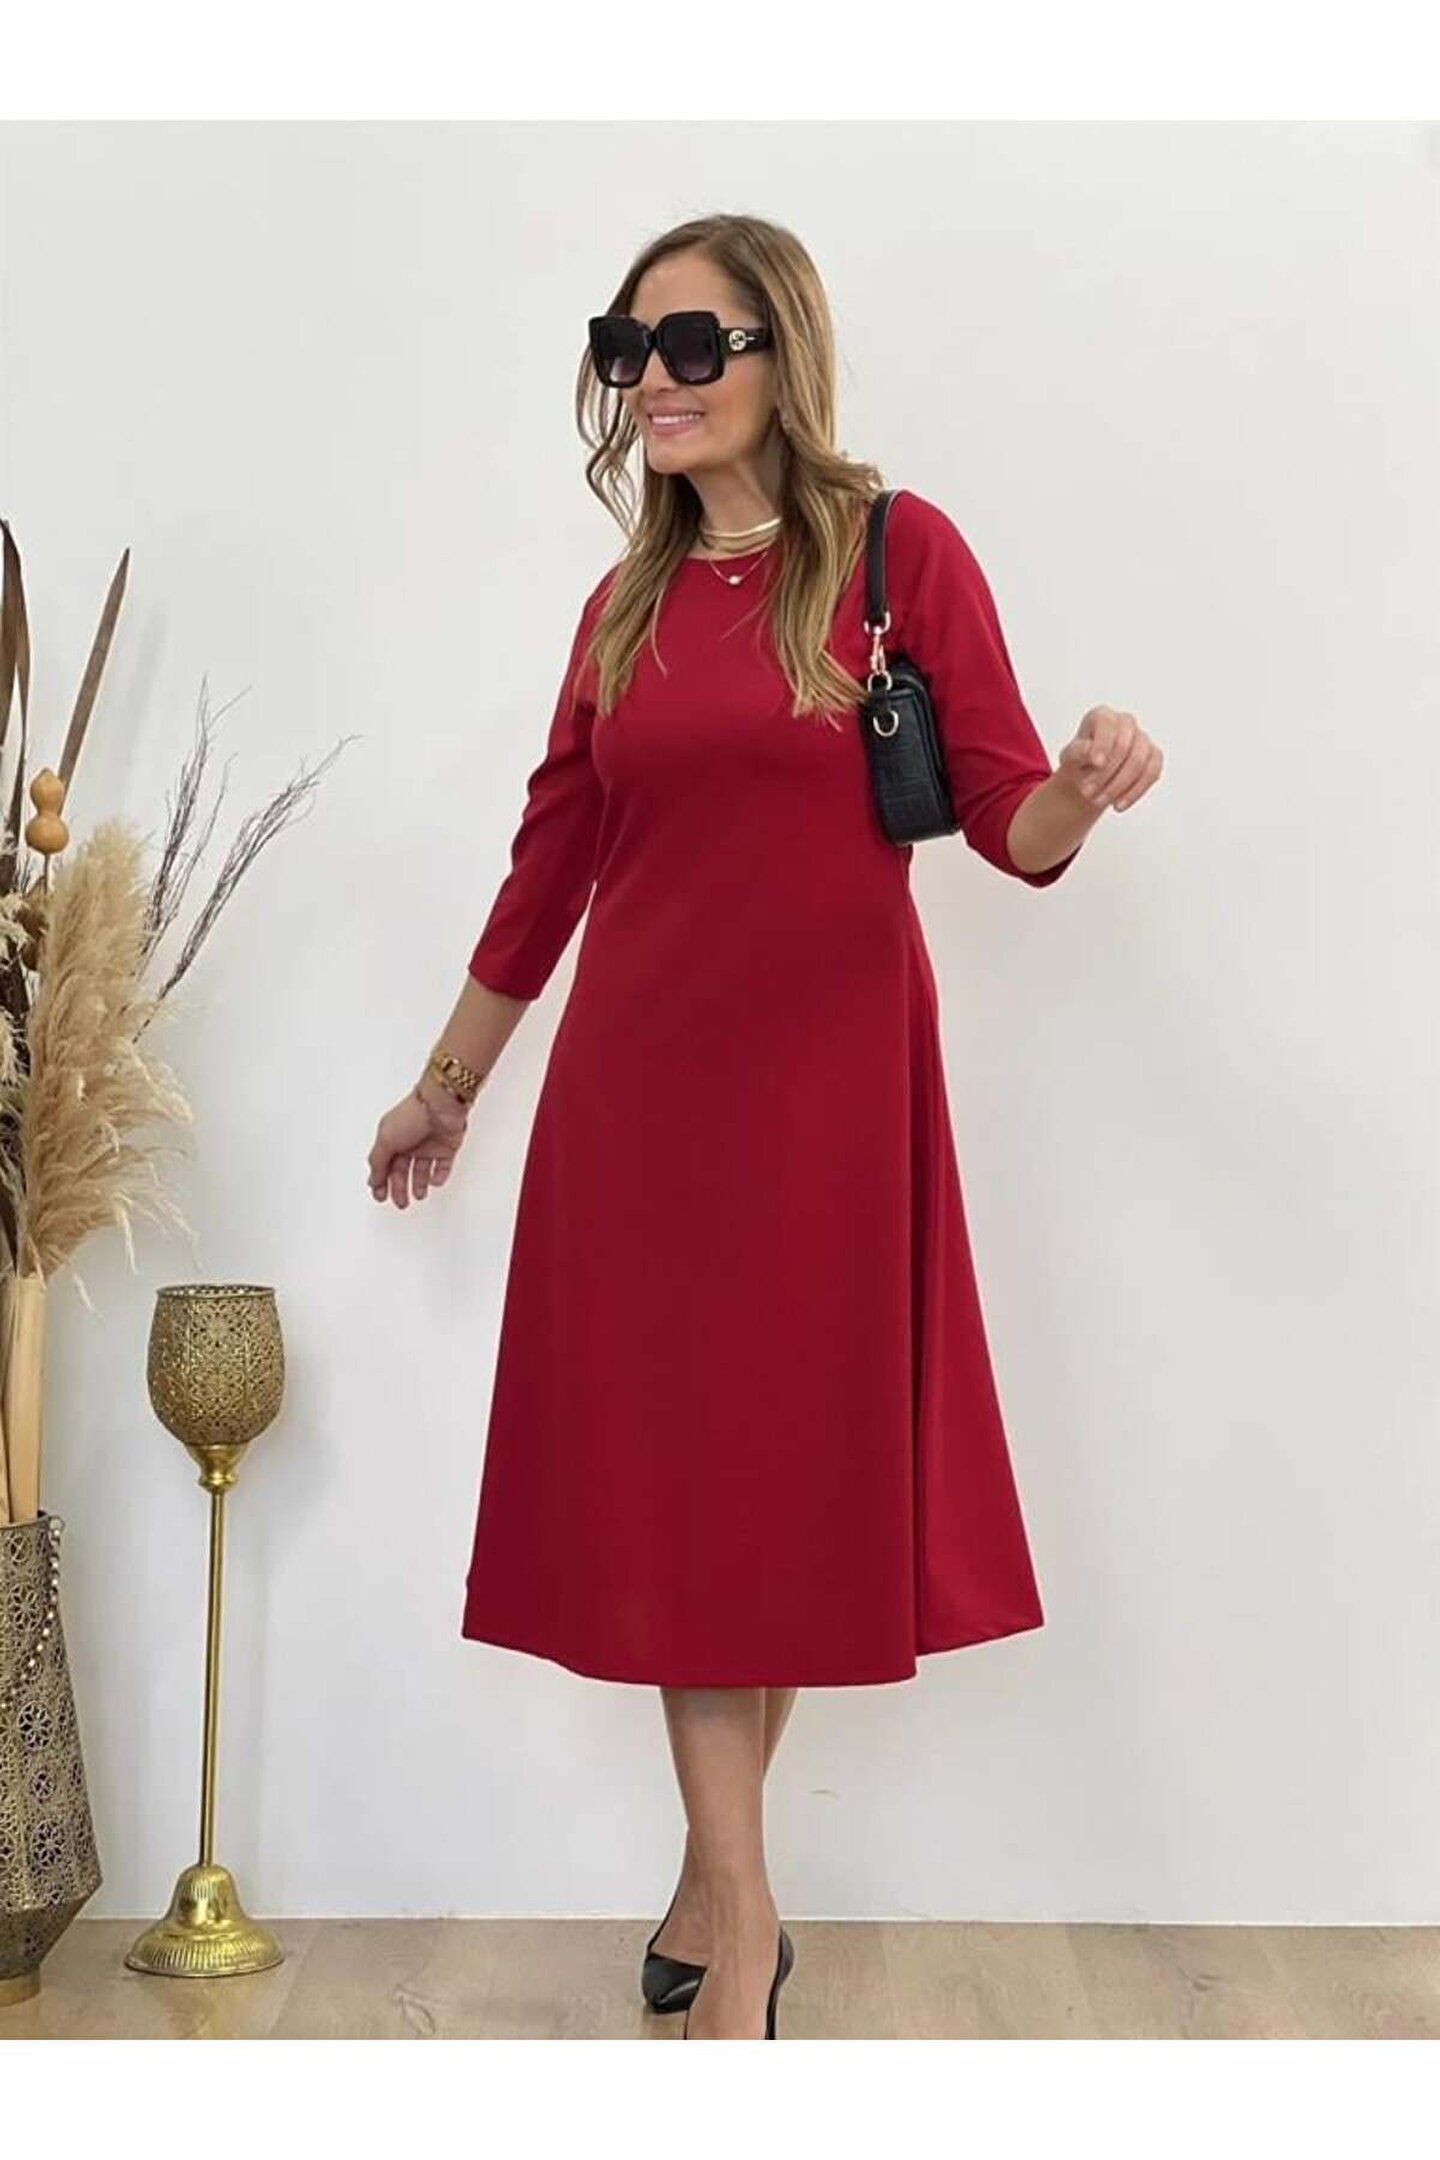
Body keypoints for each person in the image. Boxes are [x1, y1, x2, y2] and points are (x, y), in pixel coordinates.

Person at [366, 212, 1162, 2041]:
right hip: (639, 1114)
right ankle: (743, 1936)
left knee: (775, 1506)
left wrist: (1087, 786)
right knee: (683, 1510)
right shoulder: (624, 608)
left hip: (832, 1109)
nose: (651, 380)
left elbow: (1006, 822)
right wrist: (448, 1085)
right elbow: (549, 869)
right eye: (625, 347)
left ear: (780, 355)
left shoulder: (896, 555)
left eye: (690, 344)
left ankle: (710, 1884)